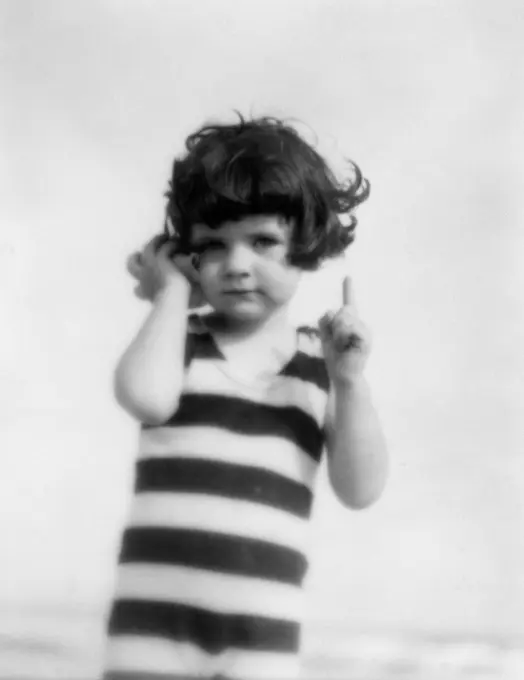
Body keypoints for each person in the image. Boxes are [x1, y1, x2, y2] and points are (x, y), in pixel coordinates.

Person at [102, 115, 389, 680]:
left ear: (307, 244)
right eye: (212, 245)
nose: (236, 265)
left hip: (260, 643)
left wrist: (351, 379)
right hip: (152, 633)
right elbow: (145, 399)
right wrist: (171, 293)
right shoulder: (177, 344)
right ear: (187, 254)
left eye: (262, 241)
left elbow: (361, 489)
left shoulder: (321, 365)